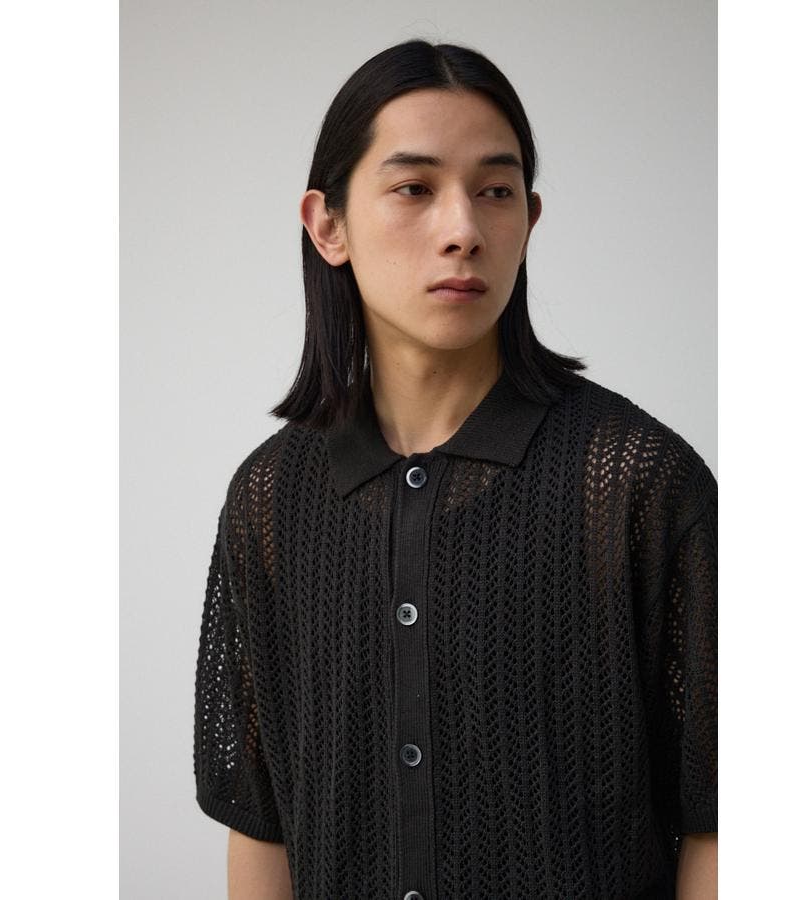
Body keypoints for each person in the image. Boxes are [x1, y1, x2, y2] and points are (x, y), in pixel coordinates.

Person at [194, 39, 717, 900]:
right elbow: (262, 823)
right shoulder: (270, 501)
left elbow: (720, 812)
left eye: (495, 192)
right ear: (328, 226)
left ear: (529, 221)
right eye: (414, 188)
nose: (463, 231)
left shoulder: (635, 484)